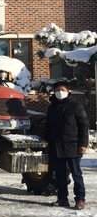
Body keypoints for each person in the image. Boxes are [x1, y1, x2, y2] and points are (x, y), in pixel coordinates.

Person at [45, 81, 89, 210]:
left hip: (73, 146)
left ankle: (80, 199)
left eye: (62, 89)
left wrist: (83, 144)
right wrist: (48, 143)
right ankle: (62, 198)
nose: (60, 92)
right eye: (57, 90)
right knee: (60, 175)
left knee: (76, 174)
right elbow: (48, 127)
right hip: (56, 147)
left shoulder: (75, 106)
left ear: (68, 91)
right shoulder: (52, 107)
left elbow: (84, 125)